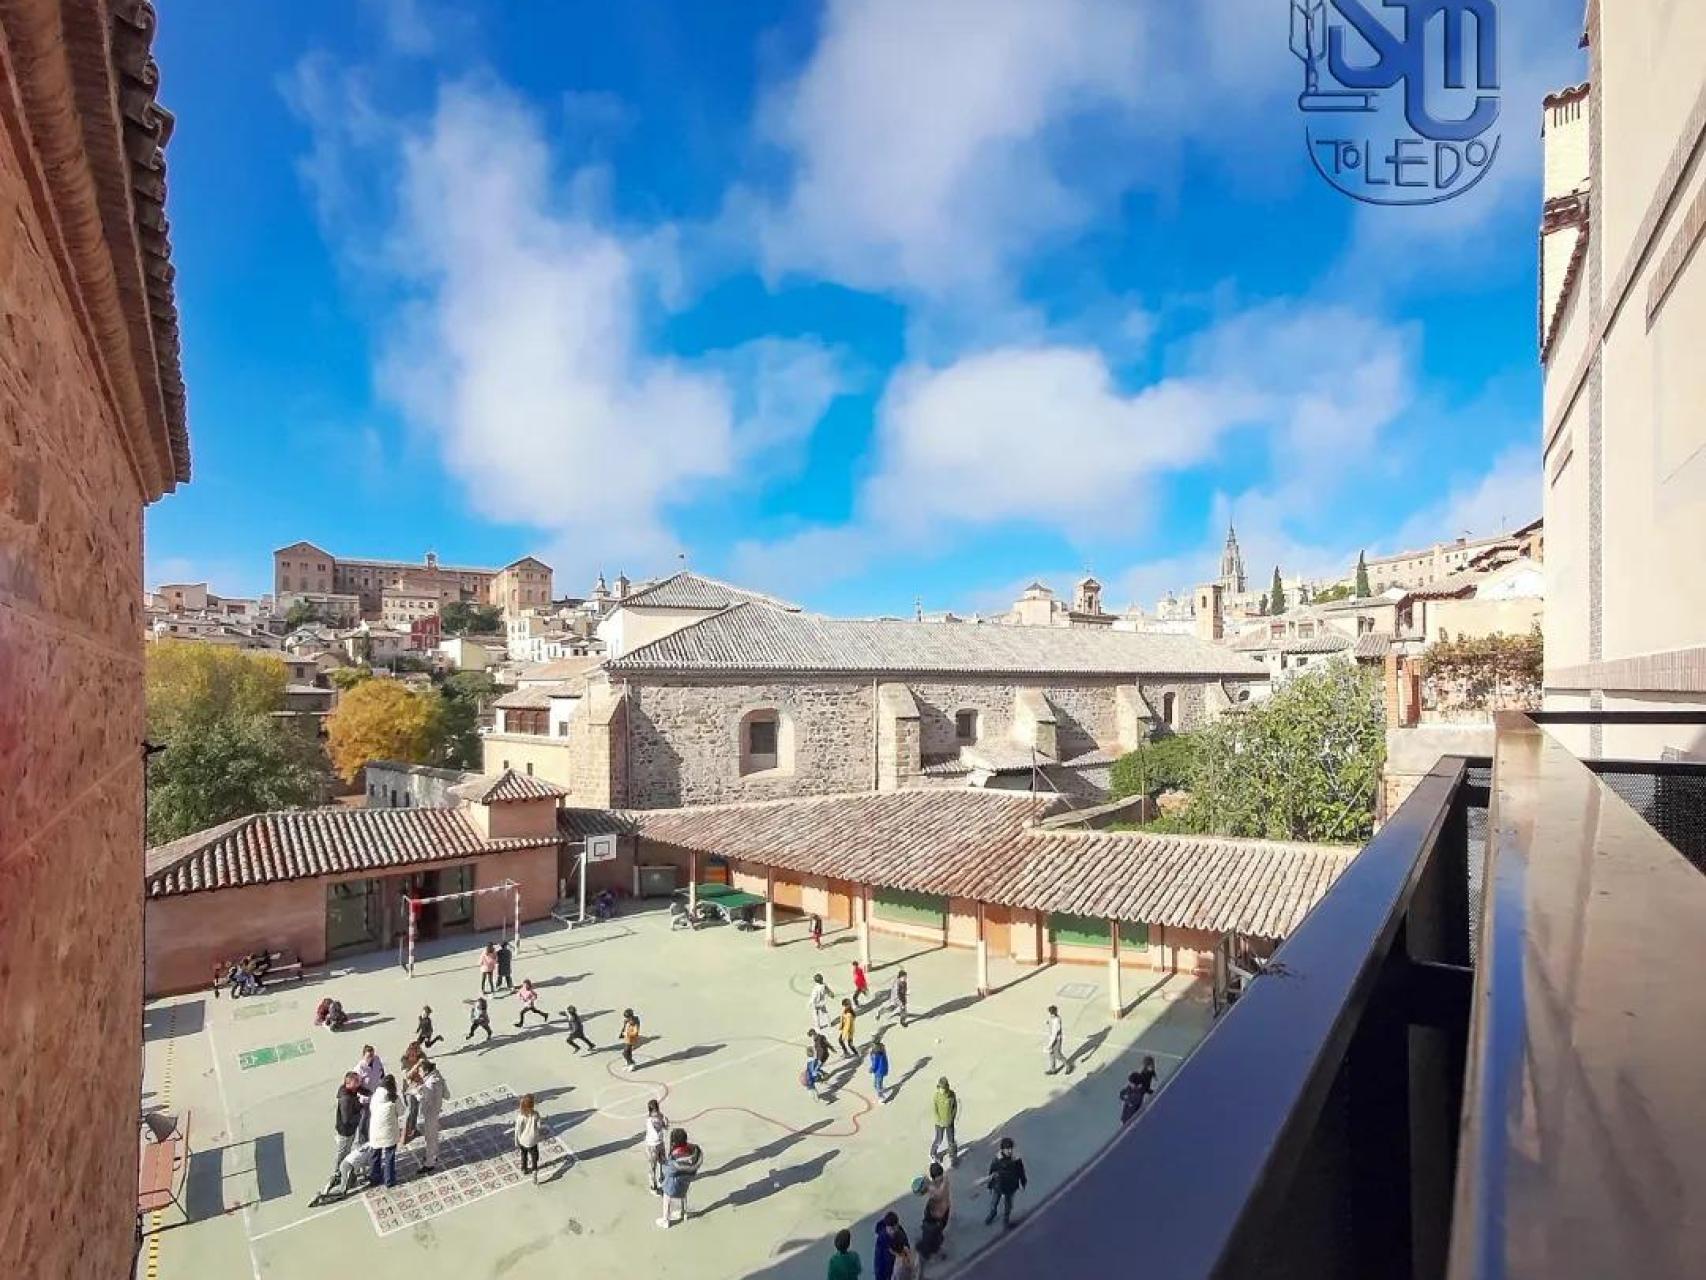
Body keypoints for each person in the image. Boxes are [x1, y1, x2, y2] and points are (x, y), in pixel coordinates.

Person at [323, 1073, 367, 1197]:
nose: (359, 1083)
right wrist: (360, 1114)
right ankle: (338, 1173)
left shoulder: (352, 1091)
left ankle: (344, 1170)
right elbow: (347, 1119)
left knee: (347, 1150)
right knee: (343, 1151)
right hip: (345, 1131)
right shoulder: (345, 1099)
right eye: (356, 1082)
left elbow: (362, 1091)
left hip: (350, 1129)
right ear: (348, 1083)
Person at [656, 1127, 702, 1228]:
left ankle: (665, 1220)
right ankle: (683, 1213)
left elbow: (668, 1171)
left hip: (674, 1183)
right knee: (684, 1194)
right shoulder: (694, 1151)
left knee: (667, 1197)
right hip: (687, 1179)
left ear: (673, 1142)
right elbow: (698, 1157)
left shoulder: (675, 1159)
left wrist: (662, 1161)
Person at [981, 1137, 1028, 1229]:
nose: (1009, 1151)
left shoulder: (1016, 1160)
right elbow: (992, 1173)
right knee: (994, 1202)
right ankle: (993, 1213)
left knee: (1008, 1205)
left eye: (1011, 1148)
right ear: (1002, 1149)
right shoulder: (997, 1160)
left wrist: (1023, 1182)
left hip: (1011, 1185)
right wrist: (990, 1186)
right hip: (998, 1185)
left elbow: (1021, 1172)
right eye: (1007, 1149)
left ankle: (1006, 1219)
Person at [413, 1058, 449, 1172]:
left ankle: (429, 1163)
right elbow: (446, 1094)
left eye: (420, 1071)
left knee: (430, 1137)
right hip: (436, 1110)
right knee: (434, 1135)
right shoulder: (437, 1077)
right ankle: (434, 1154)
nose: (419, 1073)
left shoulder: (429, 1084)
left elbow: (426, 1100)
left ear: (426, 1071)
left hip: (430, 1112)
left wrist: (417, 1093)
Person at [367, 1074, 401, 1189]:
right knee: (389, 1155)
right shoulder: (394, 1098)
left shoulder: (375, 1095)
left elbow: (371, 1108)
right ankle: (389, 1180)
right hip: (389, 1131)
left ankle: (374, 1178)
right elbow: (402, 1111)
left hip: (375, 1129)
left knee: (375, 1154)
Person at [918, 1162, 951, 1270]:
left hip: (938, 1215)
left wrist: (928, 1184)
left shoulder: (936, 1188)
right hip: (939, 1212)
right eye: (938, 1177)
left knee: (933, 1234)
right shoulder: (943, 1182)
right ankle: (933, 1249)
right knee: (934, 1233)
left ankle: (932, 1250)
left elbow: (939, 1194)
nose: (940, 1179)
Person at [929, 1078, 959, 1166]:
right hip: (939, 1124)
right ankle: (933, 1154)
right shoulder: (936, 1096)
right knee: (939, 1139)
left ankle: (953, 1158)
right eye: (940, 1088)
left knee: (951, 1141)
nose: (941, 1090)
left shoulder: (952, 1095)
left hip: (949, 1123)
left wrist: (952, 1118)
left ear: (946, 1087)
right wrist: (939, 1120)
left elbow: (955, 1107)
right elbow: (935, 1110)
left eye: (943, 1088)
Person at [1119, 1056, 1157, 1124]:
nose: (1129, 1084)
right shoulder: (1134, 1090)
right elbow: (1122, 1094)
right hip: (1129, 1117)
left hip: (1130, 1116)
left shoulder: (1136, 1092)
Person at [643, 1100, 670, 1193]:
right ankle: (653, 1187)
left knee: (663, 1162)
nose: (656, 1112)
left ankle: (661, 1178)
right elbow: (657, 1130)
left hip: (660, 1143)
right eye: (654, 1110)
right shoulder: (650, 1120)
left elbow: (665, 1128)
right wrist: (663, 1123)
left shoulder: (660, 1116)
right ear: (651, 1110)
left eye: (657, 1109)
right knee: (652, 1166)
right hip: (652, 1145)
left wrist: (666, 1123)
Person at [514, 1093, 541, 1179]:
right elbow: (539, 1126)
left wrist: (516, 1141)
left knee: (524, 1155)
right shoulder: (536, 1114)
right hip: (533, 1140)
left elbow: (517, 1130)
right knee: (534, 1156)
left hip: (523, 1140)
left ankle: (524, 1169)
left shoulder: (520, 1116)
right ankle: (534, 1170)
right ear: (532, 1105)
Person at [874, 1212, 903, 1280]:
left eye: (894, 1228)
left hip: (899, 1270)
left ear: (897, 1225)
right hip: (887, 1273)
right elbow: (878, 1262)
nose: (893, 1231)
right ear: (886, 1227)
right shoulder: (881, 1240)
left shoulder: (901, 1235)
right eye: (890, 1229)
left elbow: (906, 1249)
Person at [1043, 1005, 1068, 1075]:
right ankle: (1052, 1069)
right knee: (1051, 1054)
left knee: (1057, 1054)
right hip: (1052, 1038)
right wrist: (1047, 1022)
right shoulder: (1052, 1018)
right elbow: (1050, 1021)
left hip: (1056, 1039)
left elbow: (1054, 1034)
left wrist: (1049, 1045)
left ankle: (1068, 1065)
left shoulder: (1056, 1021)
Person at [868, 1036, 891, 1103]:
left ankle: (881, 1098)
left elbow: (875, 1063)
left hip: (879, 1070)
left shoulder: (876, 1051)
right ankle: (881, 1090)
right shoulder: (881, 1047)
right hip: (882, 1068)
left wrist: (871, 1069)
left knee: (877, 1084)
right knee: (876, 1084)